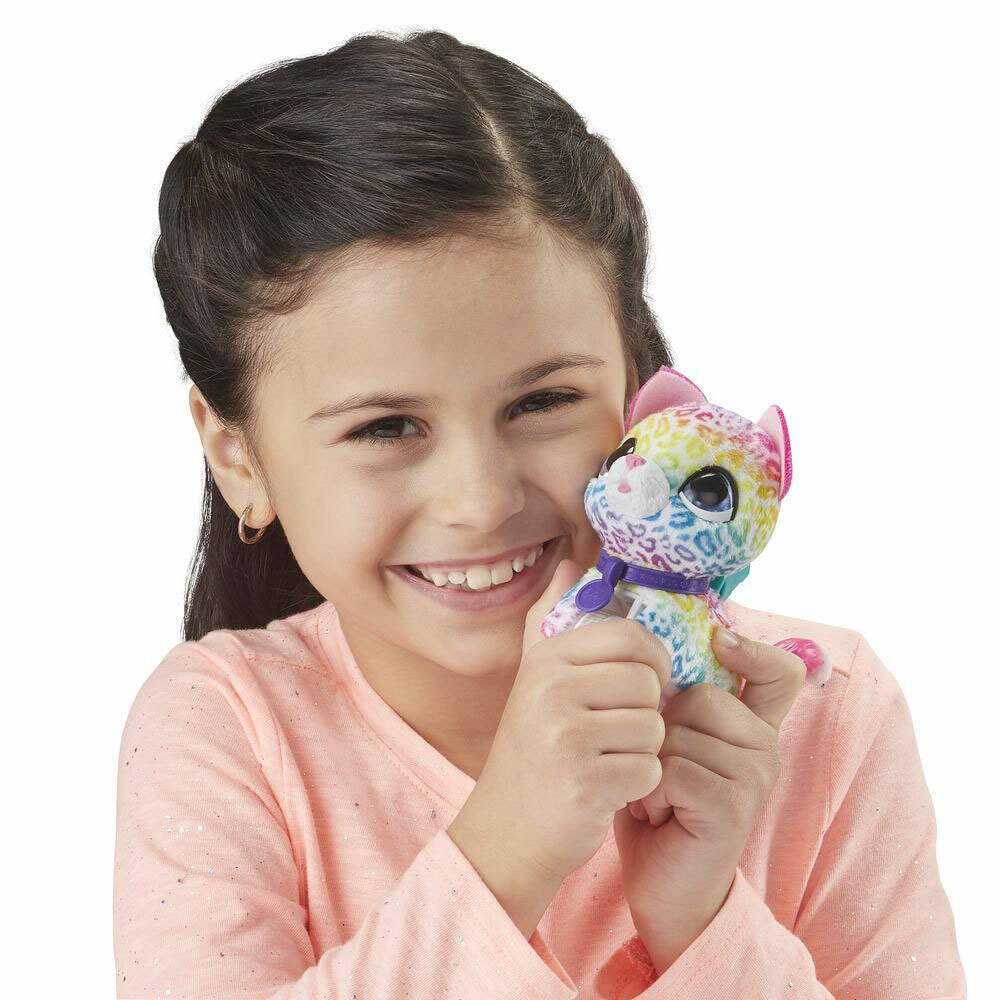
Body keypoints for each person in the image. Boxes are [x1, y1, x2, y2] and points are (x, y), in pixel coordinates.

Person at [112, 29, 966, 999]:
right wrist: (506, 847)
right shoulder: (225, 728)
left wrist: (700, 923)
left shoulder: (819, 709)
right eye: (386, 427)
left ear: (640, 390)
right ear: (238, 457)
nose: (480, 499)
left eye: (543, 401)